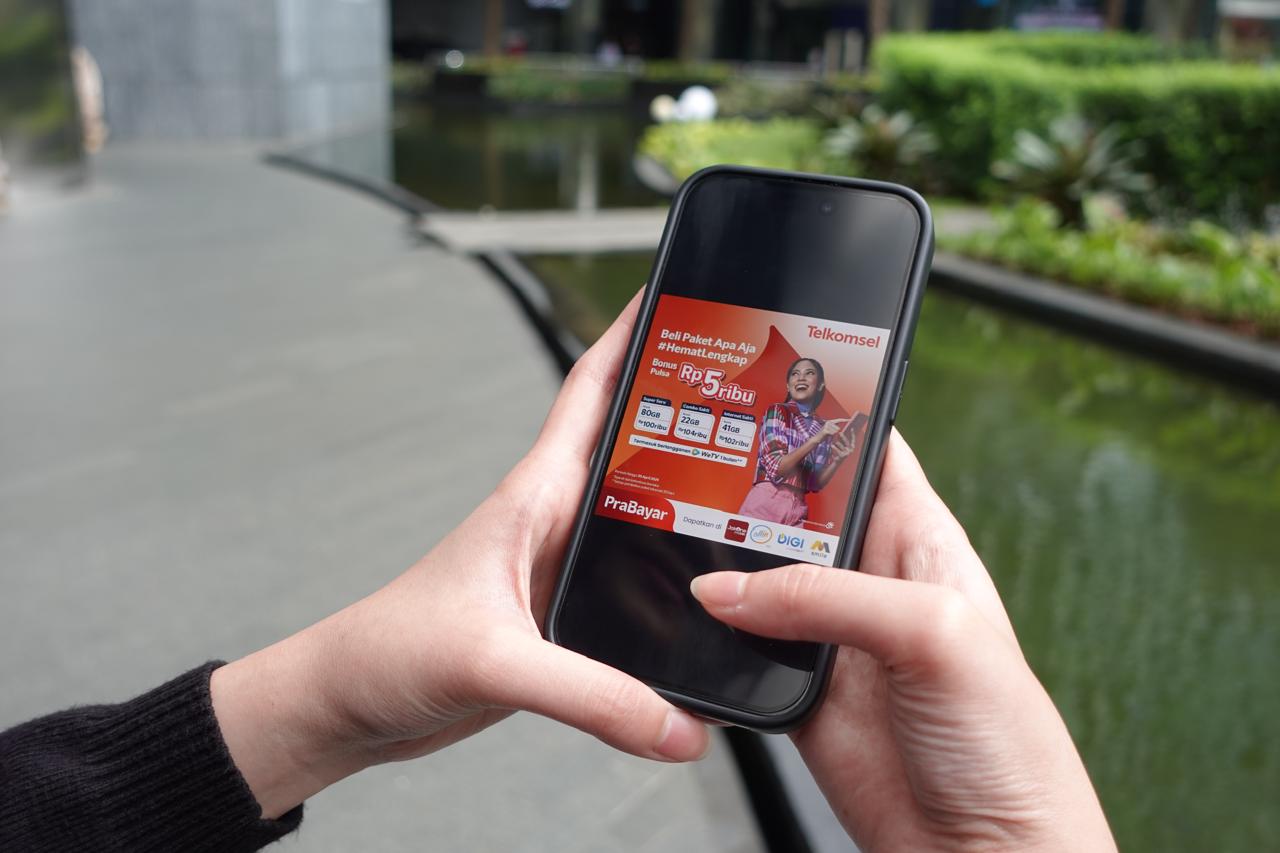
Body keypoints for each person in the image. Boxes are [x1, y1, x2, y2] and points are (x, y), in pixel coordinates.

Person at [0, 295, 1116, 852]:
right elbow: (778, 462)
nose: (796, 386)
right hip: (751, 525)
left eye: (808, 380)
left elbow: (814, 470)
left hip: (784, 537)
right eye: (794, 378)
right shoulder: (782, 421)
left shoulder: (815, 419)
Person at [738, 357, 865, 526]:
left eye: (809, 373)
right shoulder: (777, 411)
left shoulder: (823, 427)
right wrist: (817, 438)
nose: (801, 378)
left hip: (798, 507)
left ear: (820, 385)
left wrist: (838, 460)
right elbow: (777, 468)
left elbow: (814, 483)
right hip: (767, 499)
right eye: (795, 374)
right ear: (788, 385)